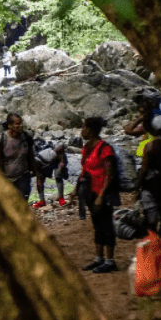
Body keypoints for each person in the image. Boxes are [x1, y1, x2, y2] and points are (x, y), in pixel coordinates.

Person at [70, 117, 119, 273]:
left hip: (102, 193)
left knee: (106, 225)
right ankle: (99, 258)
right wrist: (75, 189)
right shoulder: (87, 147)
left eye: (83, 128)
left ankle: (110, 260)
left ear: (89, 130)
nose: (81, 131)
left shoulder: (105, 149)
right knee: (97, 225)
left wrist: (101, 195)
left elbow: (109, 175)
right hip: (90, 191)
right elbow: (84, 170)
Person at [0, 113, 36, 201]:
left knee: (23, 203)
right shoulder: (1, 139)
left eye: (21, 123)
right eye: (18, 124)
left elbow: (31, 155)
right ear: (9, 126)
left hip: (23, 176)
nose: (21, 125)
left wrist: (35, 171)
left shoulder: (26, 137)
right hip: (7, 179)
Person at [32, 141, 69, 208]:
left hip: (58, 158)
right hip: (45, 163)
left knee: (58, 175)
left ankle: (61, 198)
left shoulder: (48, 155)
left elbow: (60, 146)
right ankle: (42, 201)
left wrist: (62, 161)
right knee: (39, 178)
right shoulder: (35, 163)